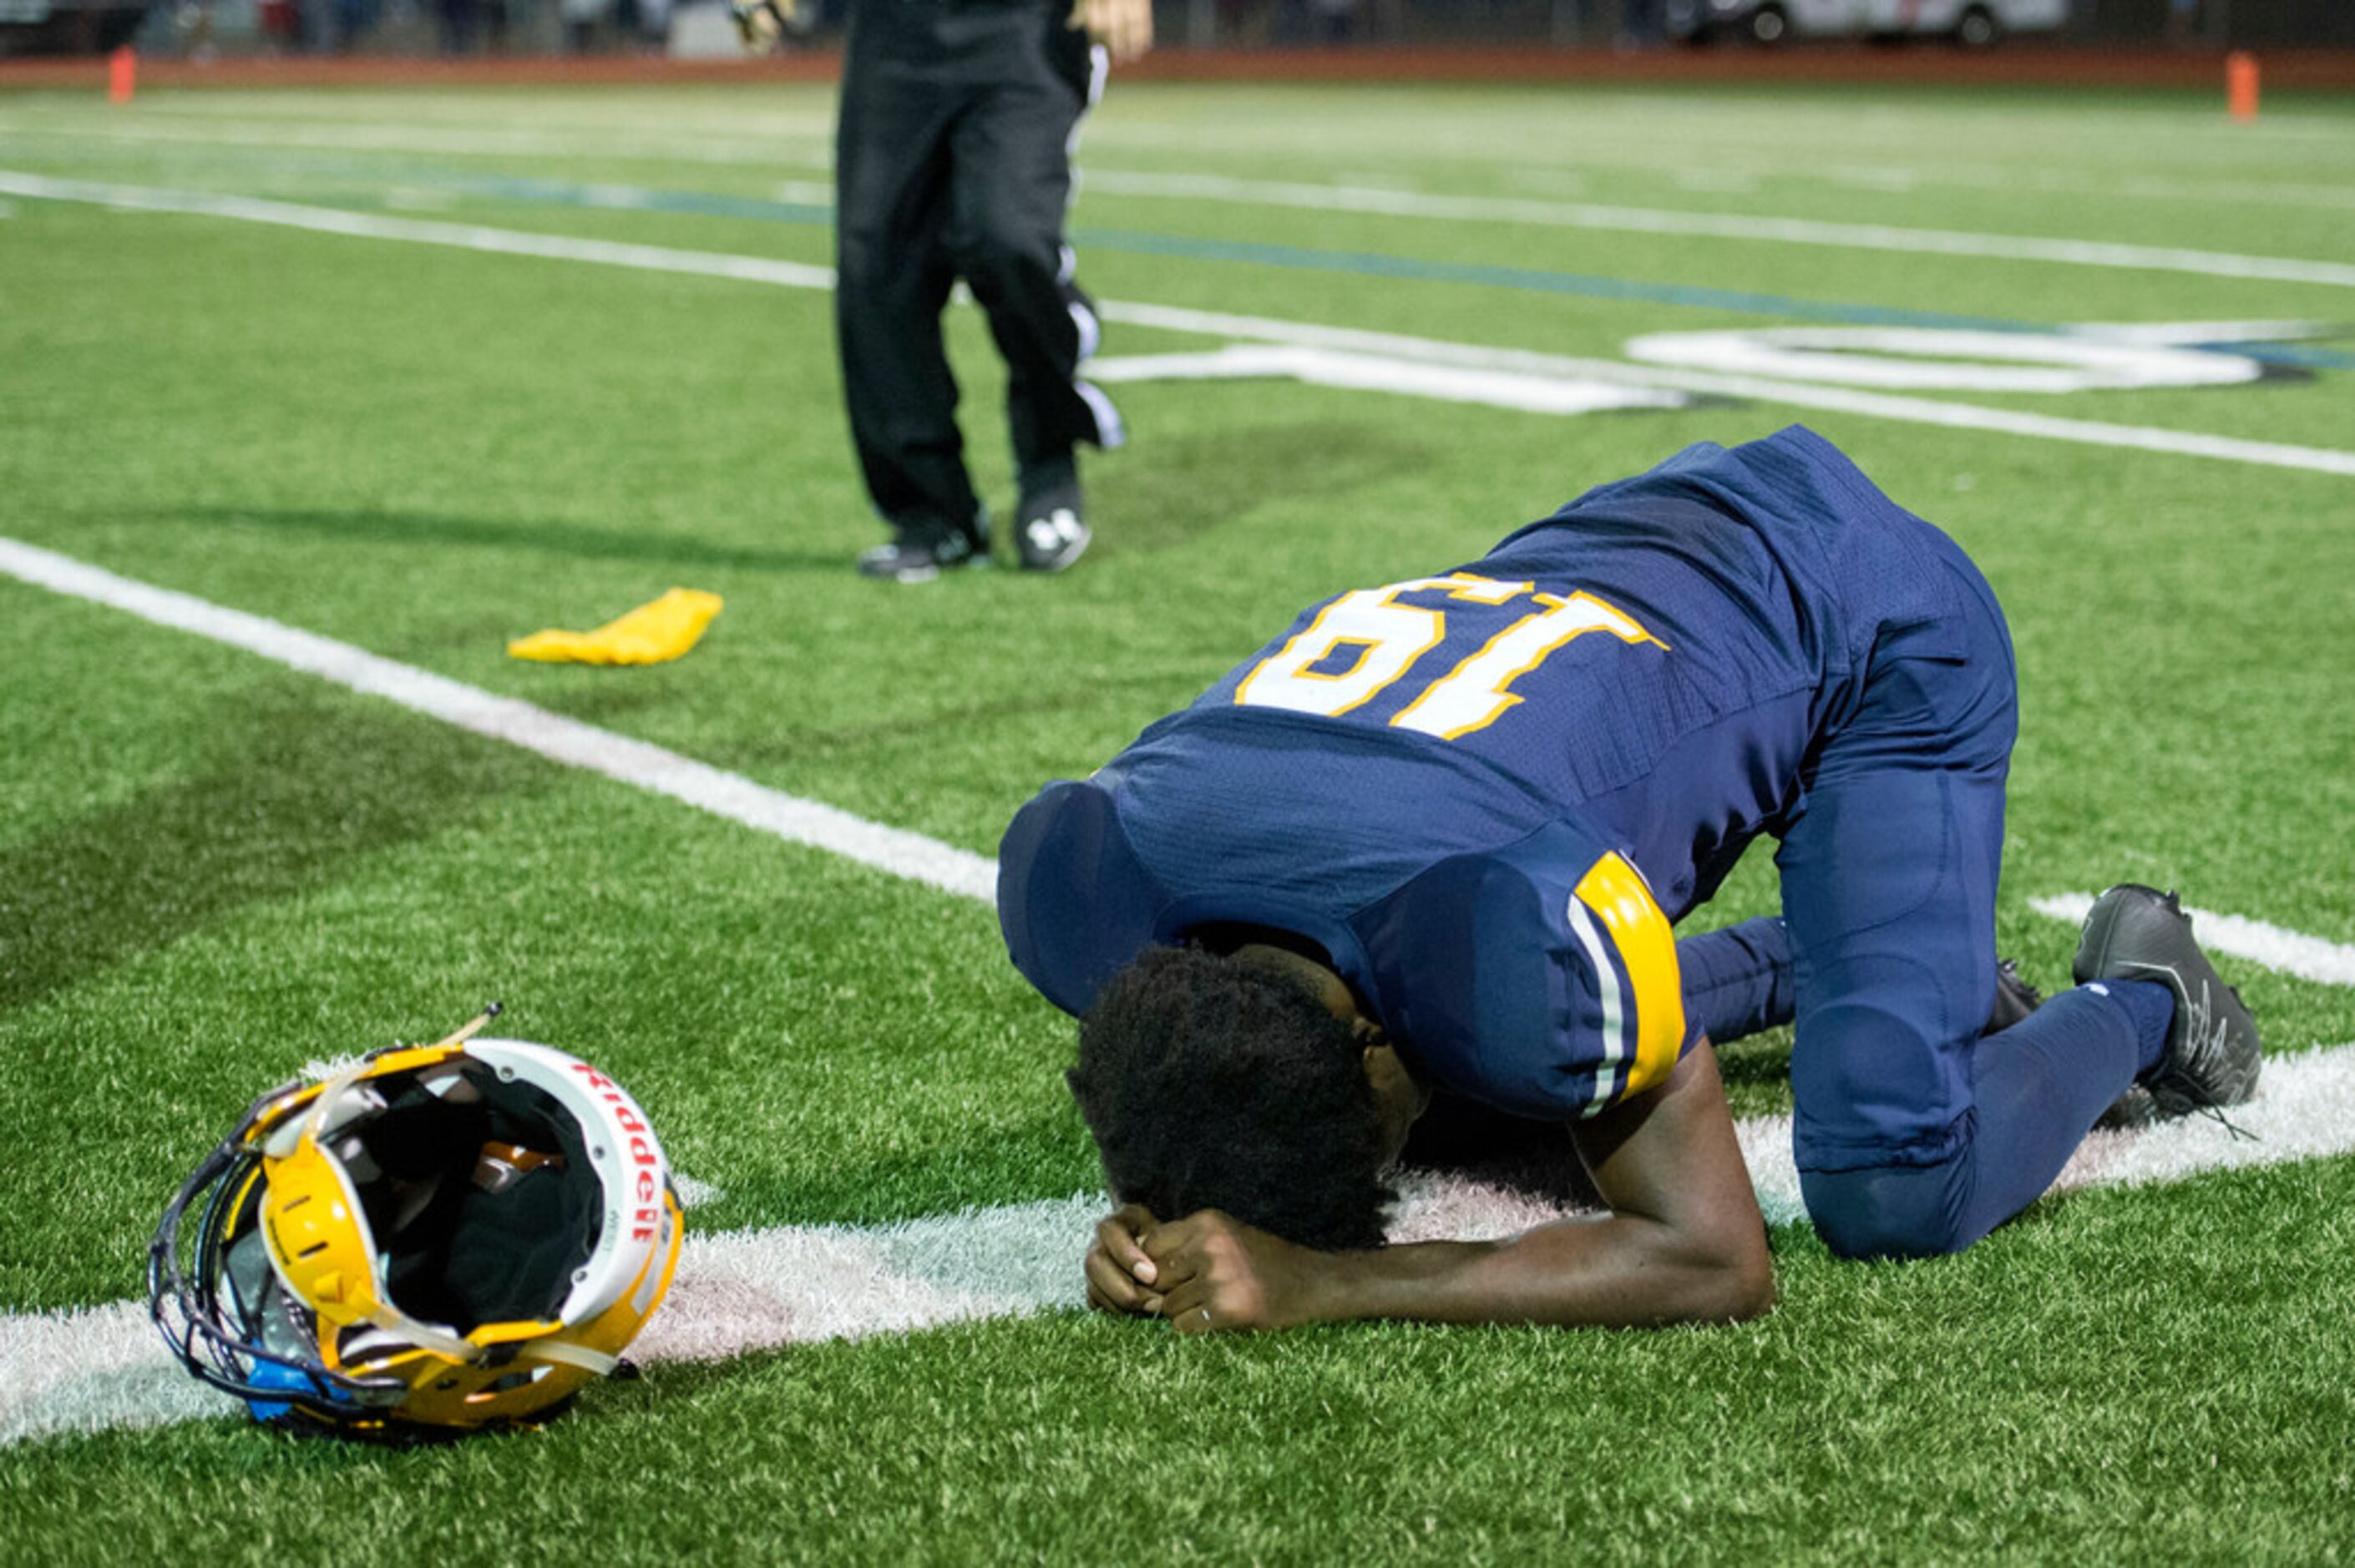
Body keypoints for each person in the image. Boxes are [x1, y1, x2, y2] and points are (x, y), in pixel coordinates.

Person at [995, 426, 2261, 1333]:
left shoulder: (1500, 934)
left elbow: (1713, 1259)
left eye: (1370, 1143)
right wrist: (1156, 1199)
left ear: (1379, 1040)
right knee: (1491, 1078)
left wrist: (1333, 1278)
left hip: (1867, 618)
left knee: (1897, 1183)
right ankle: (1881, 968)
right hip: (1625, 556)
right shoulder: (1103, 884)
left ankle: (2145, 993)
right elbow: (1197, 1069)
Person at [740, 0, 1151, 581]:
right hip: (894, 34)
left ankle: (1049, 460)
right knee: (878, 267)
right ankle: (936, 515)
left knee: (1010, 238)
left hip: (1026, 28)